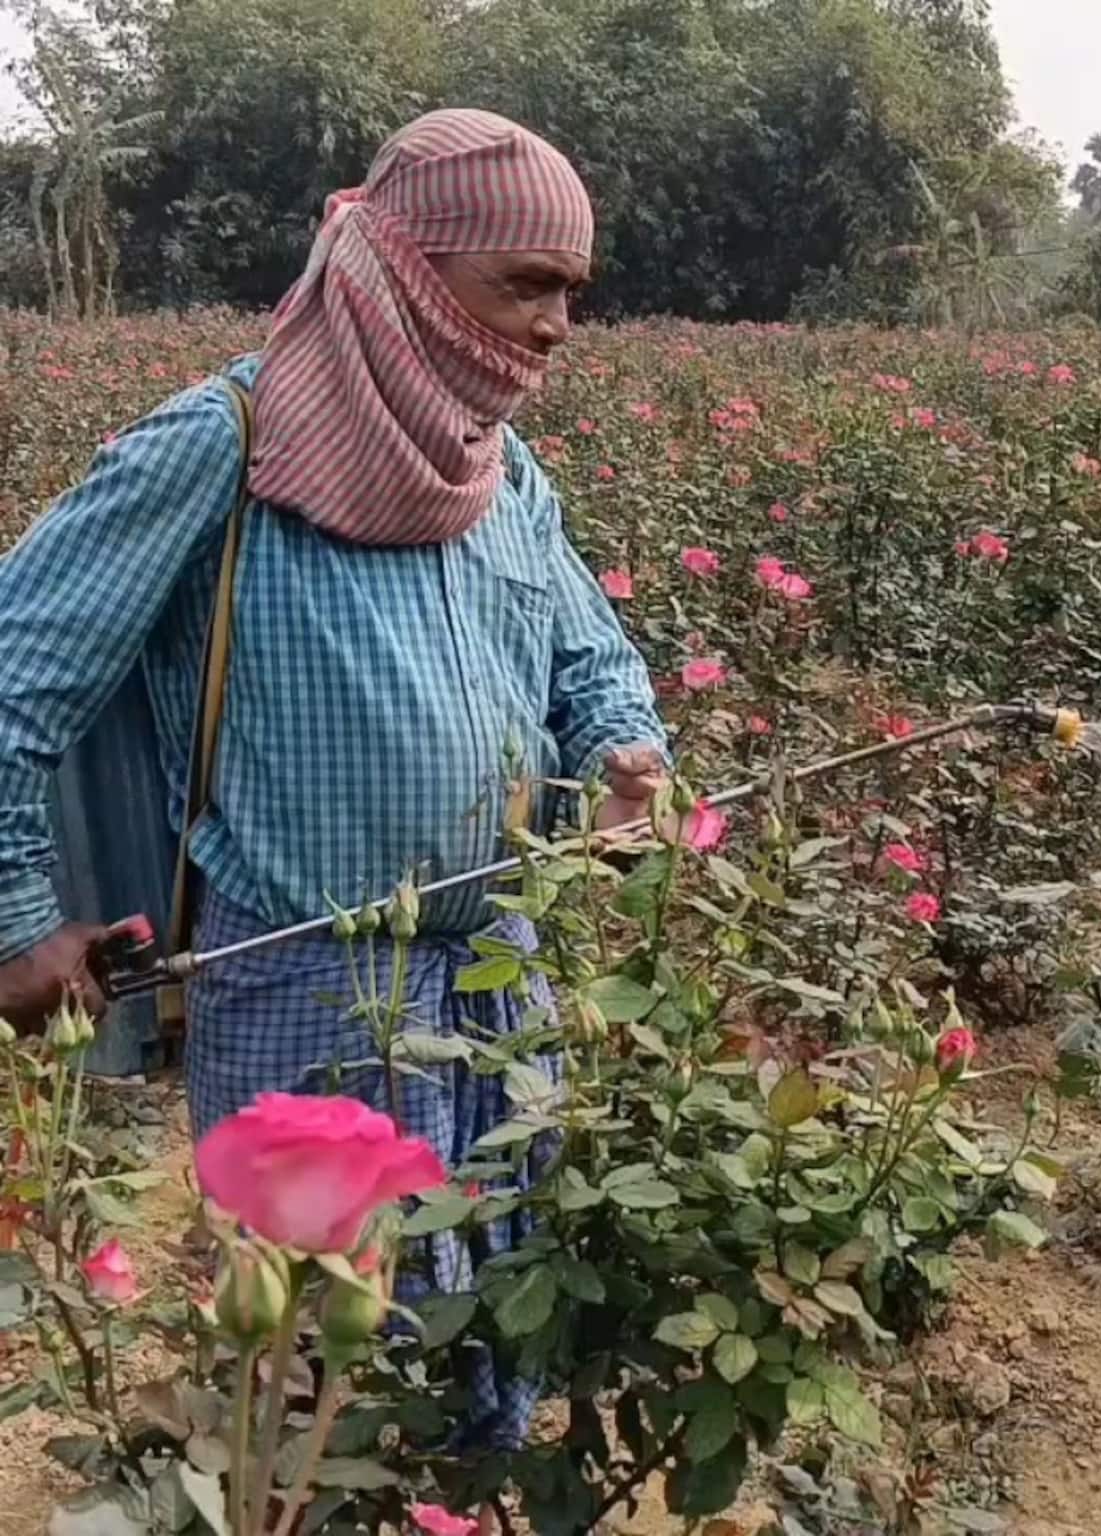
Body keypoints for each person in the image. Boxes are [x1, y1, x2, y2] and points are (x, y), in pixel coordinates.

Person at [0, 109, 667, 1450]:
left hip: (499, 987)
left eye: (572, 293)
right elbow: (12, 681)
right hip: (303, 1005)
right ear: (409, 269)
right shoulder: (225, 448)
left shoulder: (502, 469)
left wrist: (628, 754)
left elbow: (593, 659)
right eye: (523, 283)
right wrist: (17, 921)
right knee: (328, 1391)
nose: (554, 327)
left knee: (491, 1342)